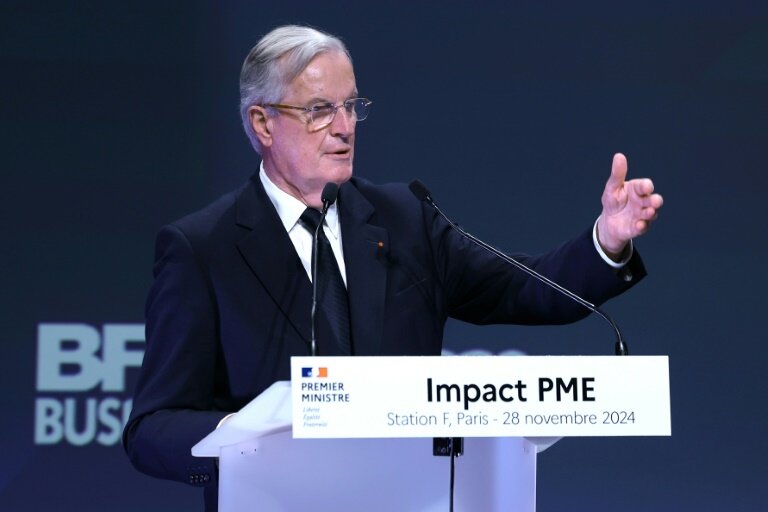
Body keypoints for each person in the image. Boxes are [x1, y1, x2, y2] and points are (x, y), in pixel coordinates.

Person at [123, 25, 663, 510]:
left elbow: (529, 289)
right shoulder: (203, 248)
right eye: (319, 110)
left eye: (351, 106)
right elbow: (153, 428)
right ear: (263, 123)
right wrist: (246, 438)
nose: (344, 127)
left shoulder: (405, 219)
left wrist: (607, 240)